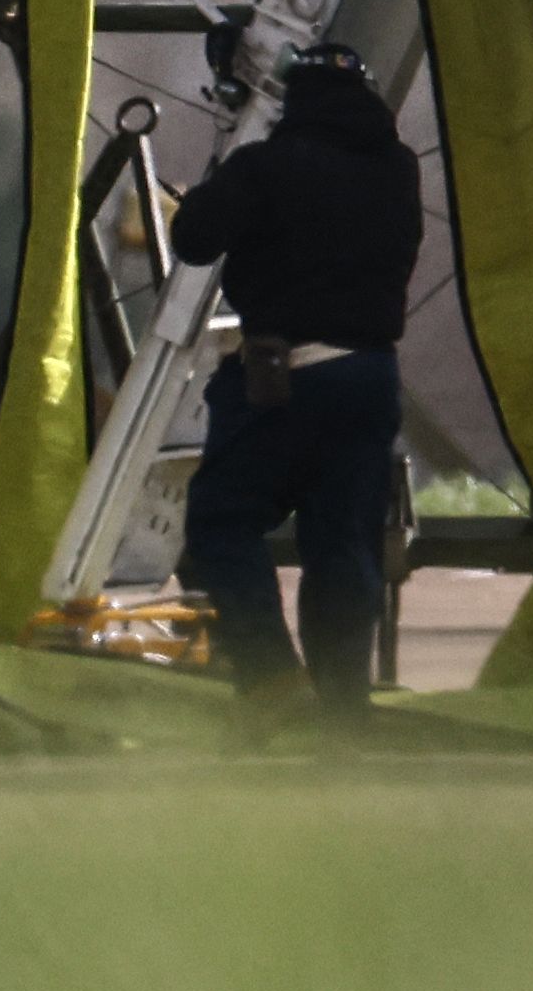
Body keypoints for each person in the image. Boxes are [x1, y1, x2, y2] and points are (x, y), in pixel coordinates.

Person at [163, 41, 422, 716]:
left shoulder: (267, 166)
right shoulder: (398, 169)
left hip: (285, 380)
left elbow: (193, 239)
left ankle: (276, 684)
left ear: (293, 101)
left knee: (222, 522)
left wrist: (224, 173)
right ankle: (343, 707)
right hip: (370, 378)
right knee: (343, 547)